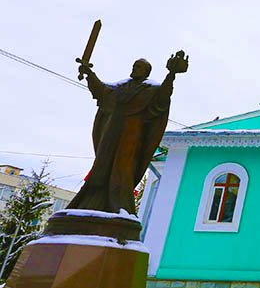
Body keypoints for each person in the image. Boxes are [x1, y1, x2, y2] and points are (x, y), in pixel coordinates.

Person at [69, 51, 188, 214]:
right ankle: (90, 202)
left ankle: (118, 205)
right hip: (111, 132)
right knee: (101, 166)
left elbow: (162, 99)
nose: (135, 68)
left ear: (146, 71)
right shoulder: (120, 87)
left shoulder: (150, 89)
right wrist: (89, 73)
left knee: (123, 169)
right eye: (134, 66)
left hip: (131, 136)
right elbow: (101, 90)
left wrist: (172, 74)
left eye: (138, 66)